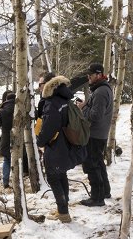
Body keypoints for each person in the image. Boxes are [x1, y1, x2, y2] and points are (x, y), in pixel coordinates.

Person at [36, 76, 86, 223]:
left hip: (56, 146)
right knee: (61, 175)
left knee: (53, 178)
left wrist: (40, 140)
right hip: (66, 145)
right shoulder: (64, 99)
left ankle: (63, 212)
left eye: (41, 84)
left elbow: (49, 127)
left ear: (49, 85)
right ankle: (63, 209)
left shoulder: (52, 103)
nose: (39, 87)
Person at [76, 62, 113, 207]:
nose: (88, 78)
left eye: (90, 75)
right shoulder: (101, 89)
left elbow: (95, 116)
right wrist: (87, 104)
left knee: (91, 165)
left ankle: (97, 197)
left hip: (95, 134)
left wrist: (82, 109)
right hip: (99, 133)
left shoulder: (101, 91)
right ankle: (104, 191)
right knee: (98, 163)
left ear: (98, 75)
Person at [0, 90, 15, 188]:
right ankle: (17, 179)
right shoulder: (19, 107)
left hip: (6, 136)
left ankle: (5, 181)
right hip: (19, 136)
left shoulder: (2, 109)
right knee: (18, 159)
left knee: (7, 160)